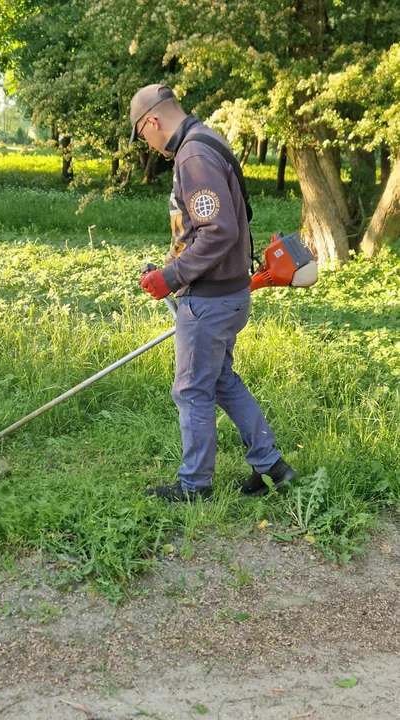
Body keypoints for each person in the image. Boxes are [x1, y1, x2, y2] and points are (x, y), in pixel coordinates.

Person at [129, 83, 296, 502]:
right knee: (221, 381)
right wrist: (169, 269)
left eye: (142, 135)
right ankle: (271, 465)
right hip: (226, 292)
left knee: (191, 390)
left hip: (209, 300)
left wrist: (174, 276)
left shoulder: (193, 155)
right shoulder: (206, 138)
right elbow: (205, 228)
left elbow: (219, 230)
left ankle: (194, 486)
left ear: (151, 121)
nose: (147, 144)